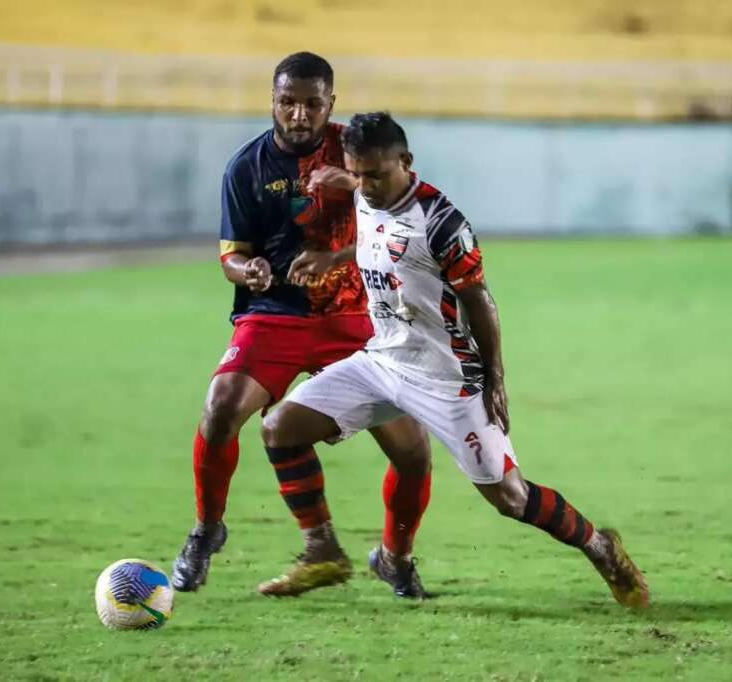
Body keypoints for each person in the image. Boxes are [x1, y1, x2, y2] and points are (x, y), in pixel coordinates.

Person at [261, 112, 650, 607]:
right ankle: (325, 548)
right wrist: (334, 254)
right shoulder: (363, 190)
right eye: (357, 174)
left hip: (447, 377)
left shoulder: (443, 223)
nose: (366, 186)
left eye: (376, 174)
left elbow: (480, 301)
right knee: (280, 429)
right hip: (381, 361)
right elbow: (377, 240)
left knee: (510, 497)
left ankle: (602, 548)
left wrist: (496, 378)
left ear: (406, 162)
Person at [172, 54, 434, 599]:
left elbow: (409, 223)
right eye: (288, 102)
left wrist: (338, 250)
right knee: (221, 407)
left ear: (330, 104)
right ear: (272, 100)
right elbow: (231, 256)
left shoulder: (357, 151)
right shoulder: (245, 168)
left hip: (358, 319)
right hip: (275, 316)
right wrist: (251, 269)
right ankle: (209, 530)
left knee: (412, 450)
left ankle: (396, 558)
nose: (298, 114)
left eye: (312, 103)